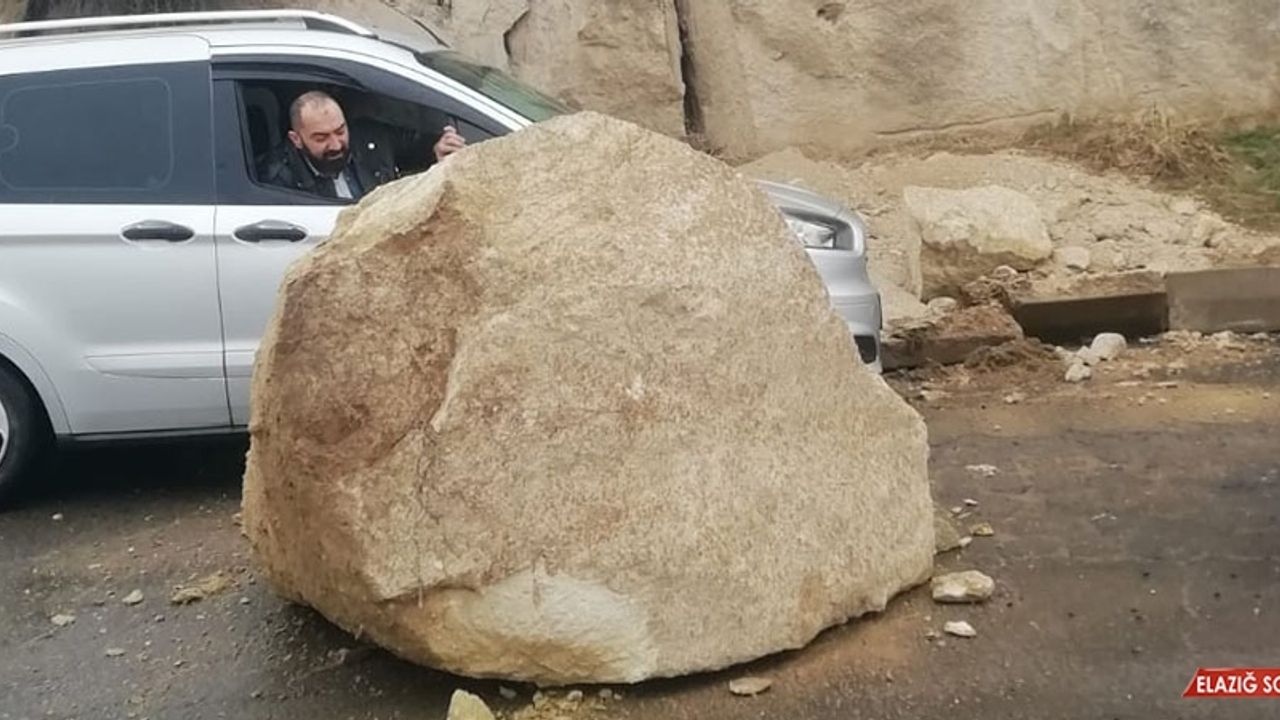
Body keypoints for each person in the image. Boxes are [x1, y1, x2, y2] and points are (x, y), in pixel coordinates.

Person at [257, 90, 466, 200]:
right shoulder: (276, 180)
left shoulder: (369, 137)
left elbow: (415, 147)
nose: (336, 145)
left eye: (340, 131)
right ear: (296, 139)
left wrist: (437, 149)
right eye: (321, 138)